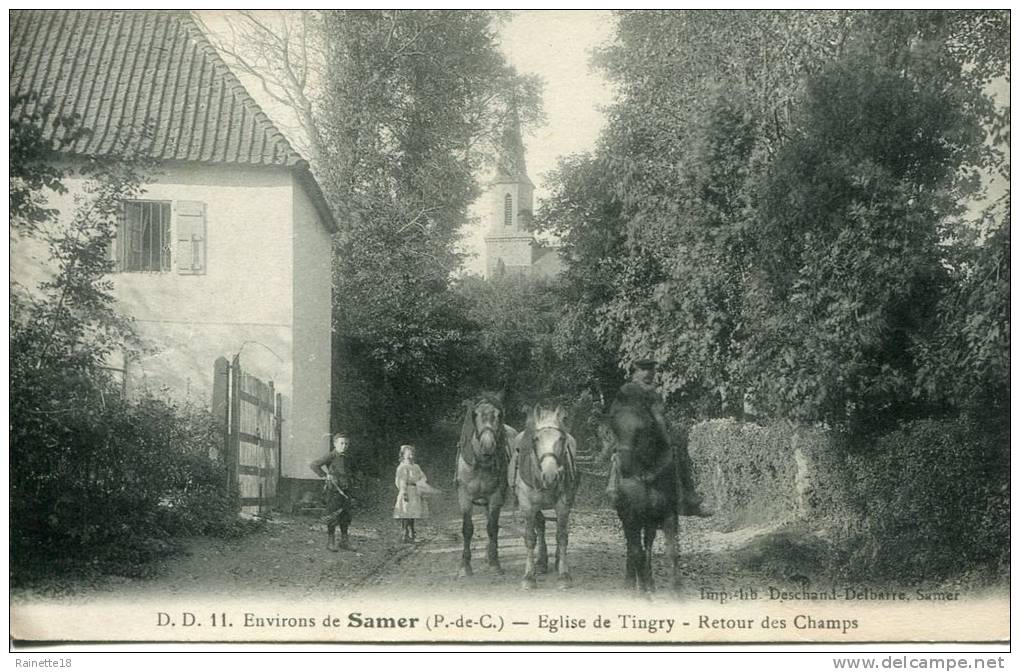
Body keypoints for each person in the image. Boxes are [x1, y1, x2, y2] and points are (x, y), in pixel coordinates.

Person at [608, 358, 711, 517]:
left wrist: (663, 430)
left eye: (651, 372)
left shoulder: (655, 393)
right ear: (636, 372)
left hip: (653, 436)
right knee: (618, 455)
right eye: (644, 371)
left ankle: (689, 497)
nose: (649, 375)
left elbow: (660, 415)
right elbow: (615, 413)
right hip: (631, 434)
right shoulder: (627, 390)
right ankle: (613, 489)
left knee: (678, 453)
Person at [310, 432, 355, 551]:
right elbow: (314, 465)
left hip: (346, 491)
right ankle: (331, 542)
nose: (344, 446)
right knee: (333, 516)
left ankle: (344, 542)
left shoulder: (347, 457)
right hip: (334, 491)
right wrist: (325, 475)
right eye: (341, 443)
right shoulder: (331, 456)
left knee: (345, 516)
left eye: (346, 444)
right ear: (335, 444)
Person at [392, 444, 436, 543]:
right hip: (407, 491)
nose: (411, 457)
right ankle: (404, 533)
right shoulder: (402, 467)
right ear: (403, 455)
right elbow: (401, 480)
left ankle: (412, 533)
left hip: (415, 491)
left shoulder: (416, 467)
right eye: (408, 455)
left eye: (412, 454)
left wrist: (421, 485)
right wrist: (403, 491)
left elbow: (422, 477)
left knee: (412, 514)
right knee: (405, 513)